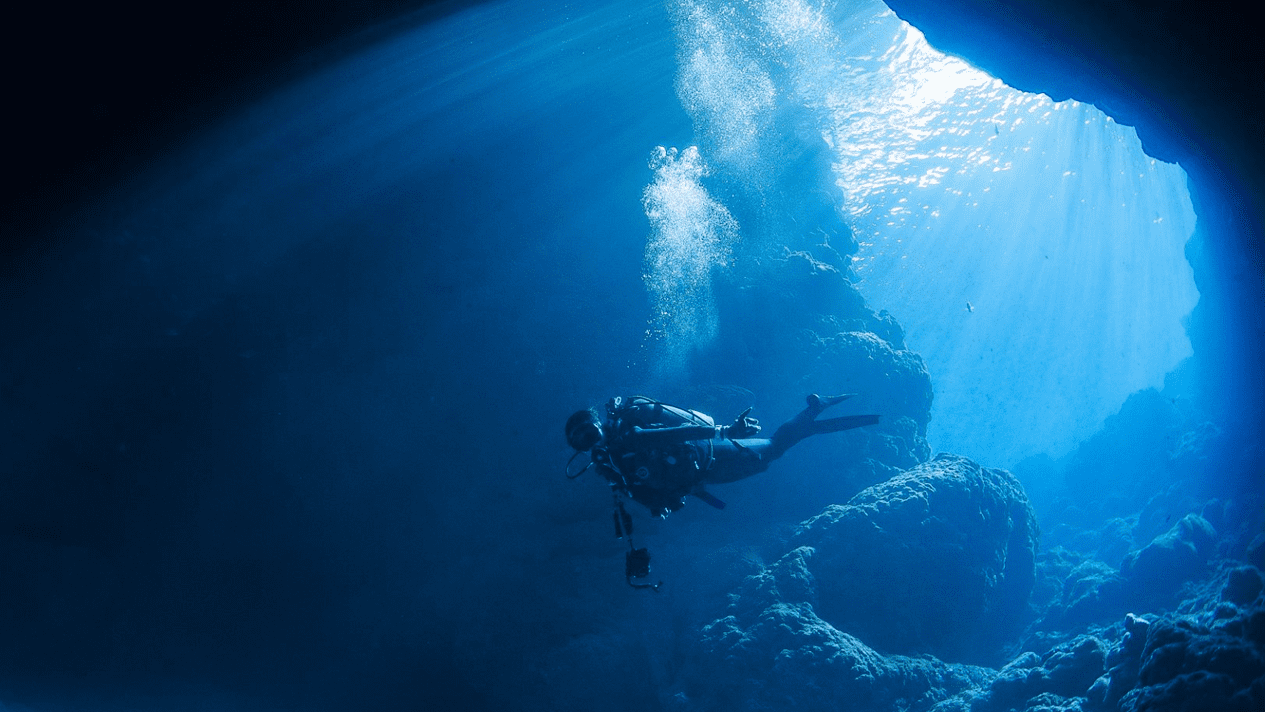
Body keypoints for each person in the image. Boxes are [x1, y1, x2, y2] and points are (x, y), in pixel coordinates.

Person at [565, 393, 880, 517]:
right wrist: (658, 505)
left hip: (710, 448)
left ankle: (813, 411)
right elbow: (635, 492)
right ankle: (811, 419)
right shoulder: (608, 466)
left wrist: (726, 431)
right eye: (580, 441)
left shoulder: (629, 429)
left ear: (598, 421)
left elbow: (677, 433)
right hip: (704, 476)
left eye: (588, 428)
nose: (588, 439)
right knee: (773, 454)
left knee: (773, 448)